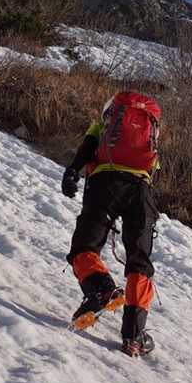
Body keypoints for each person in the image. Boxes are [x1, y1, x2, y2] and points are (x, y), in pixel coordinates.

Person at [60, 90, 162, 357]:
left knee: (85, 246)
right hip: (140, 192)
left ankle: (101, 289)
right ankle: (134, 335)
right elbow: (153, 169)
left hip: (104, 184)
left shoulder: (104, 125)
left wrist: (73, 171)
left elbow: (87, 147)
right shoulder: (150, 133)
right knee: (139, 261)